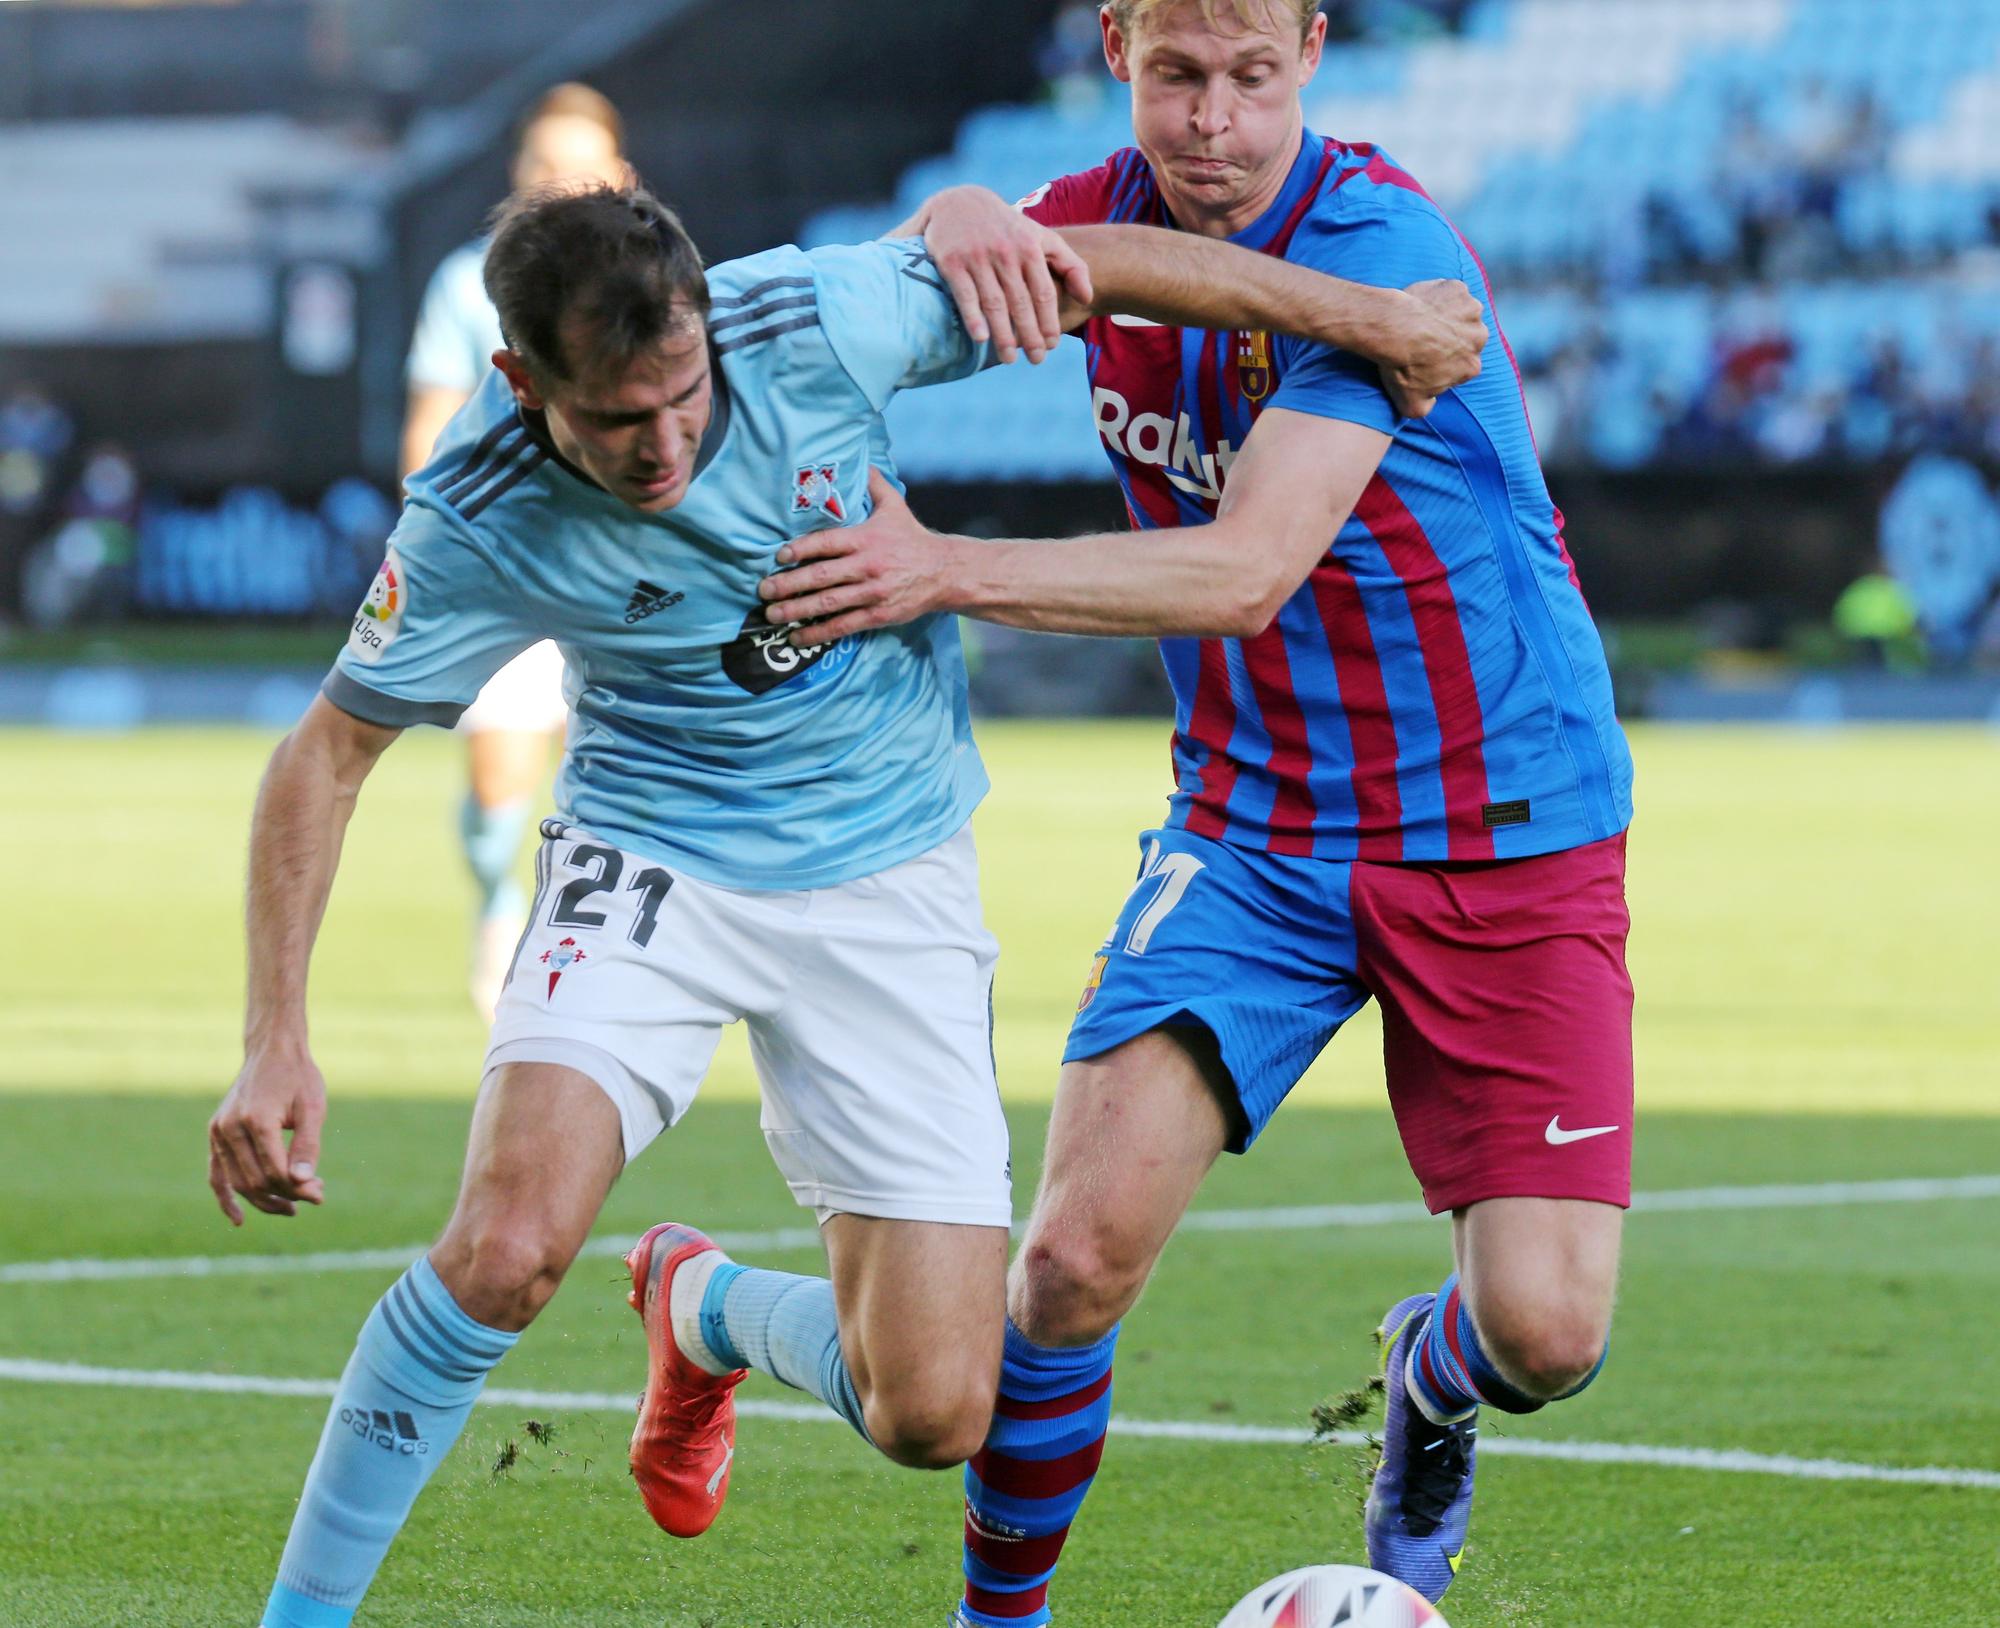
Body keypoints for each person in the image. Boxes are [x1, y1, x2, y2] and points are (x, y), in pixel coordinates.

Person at [206, 173, 1487, 1628]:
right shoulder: (479, 511)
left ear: (705, 324)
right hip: (654, 855)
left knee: (936, 1410)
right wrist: (274, 1035)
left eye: (685, 393)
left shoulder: (815, 319)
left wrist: (1373, 319)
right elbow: (328, 756)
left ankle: (703, 1310)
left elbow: (1102, 264)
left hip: (890, 868)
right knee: (505, 1251)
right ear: (523, 381)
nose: (669, 442)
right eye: (620, 419)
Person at [758, 0, 1636, 1616]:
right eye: (1178, 76)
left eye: (1250, 77)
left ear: (1311, 49)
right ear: (1116, 51)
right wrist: (951, 216)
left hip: (1505, 820)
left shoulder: (1378, 242)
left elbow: (1244, 570)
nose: (1214, 123)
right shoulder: (1085, 221)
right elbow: (876, 303)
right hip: (1257, 830)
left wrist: (942, 568)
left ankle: (1426, 1376)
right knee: (1072, 1258)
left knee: (1545, 1333)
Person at [401, 82, 632, 1017]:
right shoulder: (467, 283)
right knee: (501, 774)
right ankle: (500, 902)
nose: (561, 182)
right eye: (544, 165)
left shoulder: (658, 280)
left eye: (579, 164)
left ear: (619, 176)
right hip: (511, 561)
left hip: (628, 565)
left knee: (624, 766)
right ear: (517, 177)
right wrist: (439, 546)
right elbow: (427, 424)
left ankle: (600, 942)